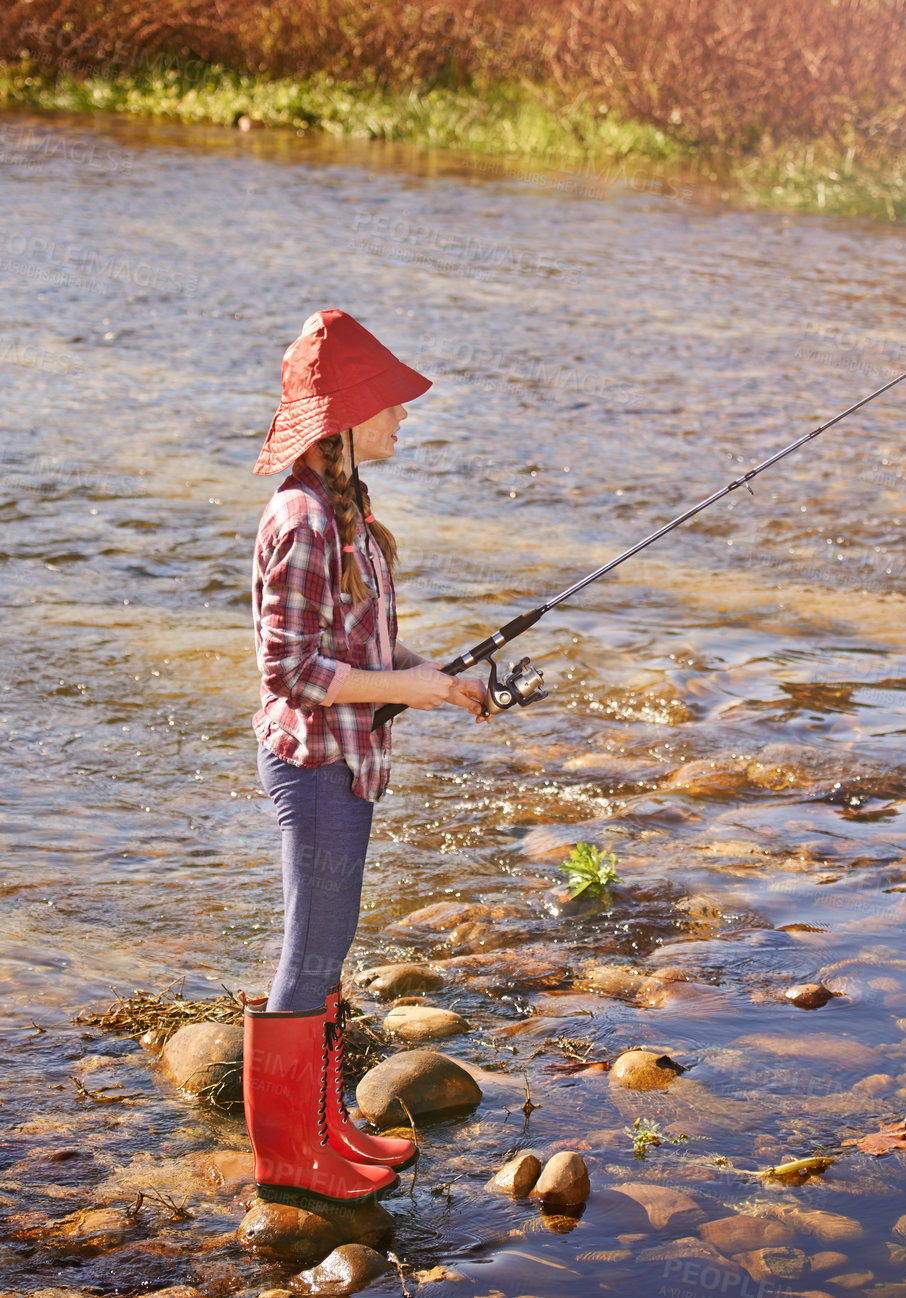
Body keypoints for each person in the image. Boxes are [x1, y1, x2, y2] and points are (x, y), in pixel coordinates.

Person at [242, 309, 490, 1207]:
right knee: (309, 952)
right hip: (313, 767)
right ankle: (286, 1154)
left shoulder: (352, 511)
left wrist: (435, 677)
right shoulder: (304, 519)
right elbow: (292, 672)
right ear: (343, 419)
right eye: (387, 402)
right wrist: (407, 692)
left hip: (347, 761)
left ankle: (322, 1127)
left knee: (332, 945)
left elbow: (356, 651)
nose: (402, 417)